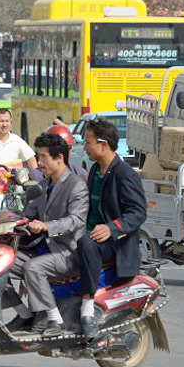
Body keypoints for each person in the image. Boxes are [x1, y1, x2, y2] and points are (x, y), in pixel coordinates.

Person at [2, 134, 87, 336]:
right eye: (38, 157)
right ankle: (24, 315)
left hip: (67, 252)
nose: (38, 163)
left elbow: (76, 220)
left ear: (59, 158)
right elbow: (27, 214)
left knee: (33, 267)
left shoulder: (76, 185)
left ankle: (55, 320)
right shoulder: (41, 186)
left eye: (43, 157)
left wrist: (47, 226)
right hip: (40, 249)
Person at [77, 118, 146, 338]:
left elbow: (138, 213)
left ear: (103, 145)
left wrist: (111, 228)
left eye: (88, 142)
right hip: (92, 234)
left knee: (86, 243)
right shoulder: (95, 171)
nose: (85, 147)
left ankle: (88, 308)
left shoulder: (125, 174)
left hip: (115, 244)